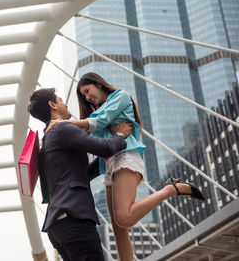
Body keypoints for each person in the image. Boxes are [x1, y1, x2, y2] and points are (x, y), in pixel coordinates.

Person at [47, 72, 205, 261]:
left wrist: (62, 124)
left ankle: (171, 189)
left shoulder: (119, 96)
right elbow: (96, 136)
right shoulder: (98, 111)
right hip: (109, 167)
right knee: (119, 228)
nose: (88, 97)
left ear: (98, 84)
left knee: (124, 217)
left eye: (87, 91)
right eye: (84, 96)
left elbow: (98, 123)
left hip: (125, 157)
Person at [27, 88, 132, 261]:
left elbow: (80, 175)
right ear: (52, 104)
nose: (65, 103)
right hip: (74, 218)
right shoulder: (62, 129)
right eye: (60, 100)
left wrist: (106, 160)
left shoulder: (48, 138)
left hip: (59, 225)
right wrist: (121, 135)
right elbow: (104, 147)